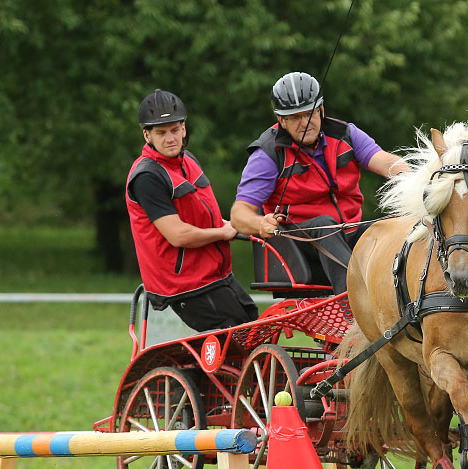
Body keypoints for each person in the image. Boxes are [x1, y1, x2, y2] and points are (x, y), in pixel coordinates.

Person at [230, 71, 409, 294]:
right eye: (295, 117)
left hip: (348, 234)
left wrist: (414, 176)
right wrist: (260, 224)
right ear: (281, 121)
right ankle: (352, 305)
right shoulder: (267, 154)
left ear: (321, 110)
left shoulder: (345, 134)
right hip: (297, 244)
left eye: (309, 113)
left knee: (392, 228)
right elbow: (239, 214)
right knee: (324, 224)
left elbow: (385, 161)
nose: (305, 123)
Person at [125, 89, 258, 331]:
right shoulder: (147, 177)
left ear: (184, 129)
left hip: (215, 275)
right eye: (161, 133)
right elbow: (178, 235)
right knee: (237, 337)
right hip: (184, 285)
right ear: (147, 135)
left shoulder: (188, 161)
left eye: (175, 130)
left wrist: (248, 225)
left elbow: (206, 217)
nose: (170, 138)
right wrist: (223, 232)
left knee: (254, 324)